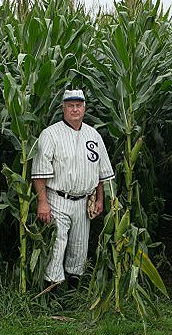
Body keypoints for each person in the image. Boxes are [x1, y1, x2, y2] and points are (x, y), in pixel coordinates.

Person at [31, 89, 114, 290]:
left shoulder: (92, 135)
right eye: (70, 106)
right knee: (57, 246)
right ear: (63, 108)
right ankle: (50, 294)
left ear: (84, 108)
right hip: (57, 199)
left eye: (78, 105)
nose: (75, 109)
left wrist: (100, 199)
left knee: (79, 248)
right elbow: (39, 173)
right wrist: (42, 203)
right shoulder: (50, 134)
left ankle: (72, 292)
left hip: (84, 201)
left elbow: (102, 173)